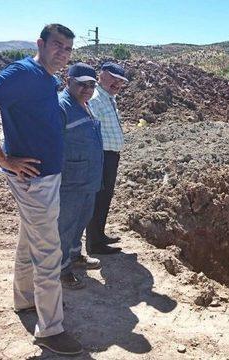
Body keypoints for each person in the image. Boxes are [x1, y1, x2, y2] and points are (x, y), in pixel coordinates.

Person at [0, 24, 82, 355]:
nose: (63, 53)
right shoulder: (23, 73)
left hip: (44, 178)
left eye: (68, 49)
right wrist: (3, 158)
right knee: (48, 251)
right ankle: (50, 330)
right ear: (40, 44)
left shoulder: (44, 78)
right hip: (34, 180)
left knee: (32, 240)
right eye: (57, 46)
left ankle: (25, 300)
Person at [58, 63, 104, 289]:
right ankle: (62, 269)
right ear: (69, 82)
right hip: (71, 180)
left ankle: (75, 256)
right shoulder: (62, 107)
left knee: (81, 220)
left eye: (91, 84)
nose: (87, 88)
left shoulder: (85, 105)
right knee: (65, 225)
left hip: (88, 177)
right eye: (81, 84)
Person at [86, 62, 128, 255]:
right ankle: (94, 244)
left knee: (105, 197)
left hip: (110, 156)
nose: (117, 84)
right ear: (101, 75)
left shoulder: (109, 98)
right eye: (114, 79)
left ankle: (99, 235)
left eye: (121, 81)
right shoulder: (95, 99)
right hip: (101, 156)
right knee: (98, 197)